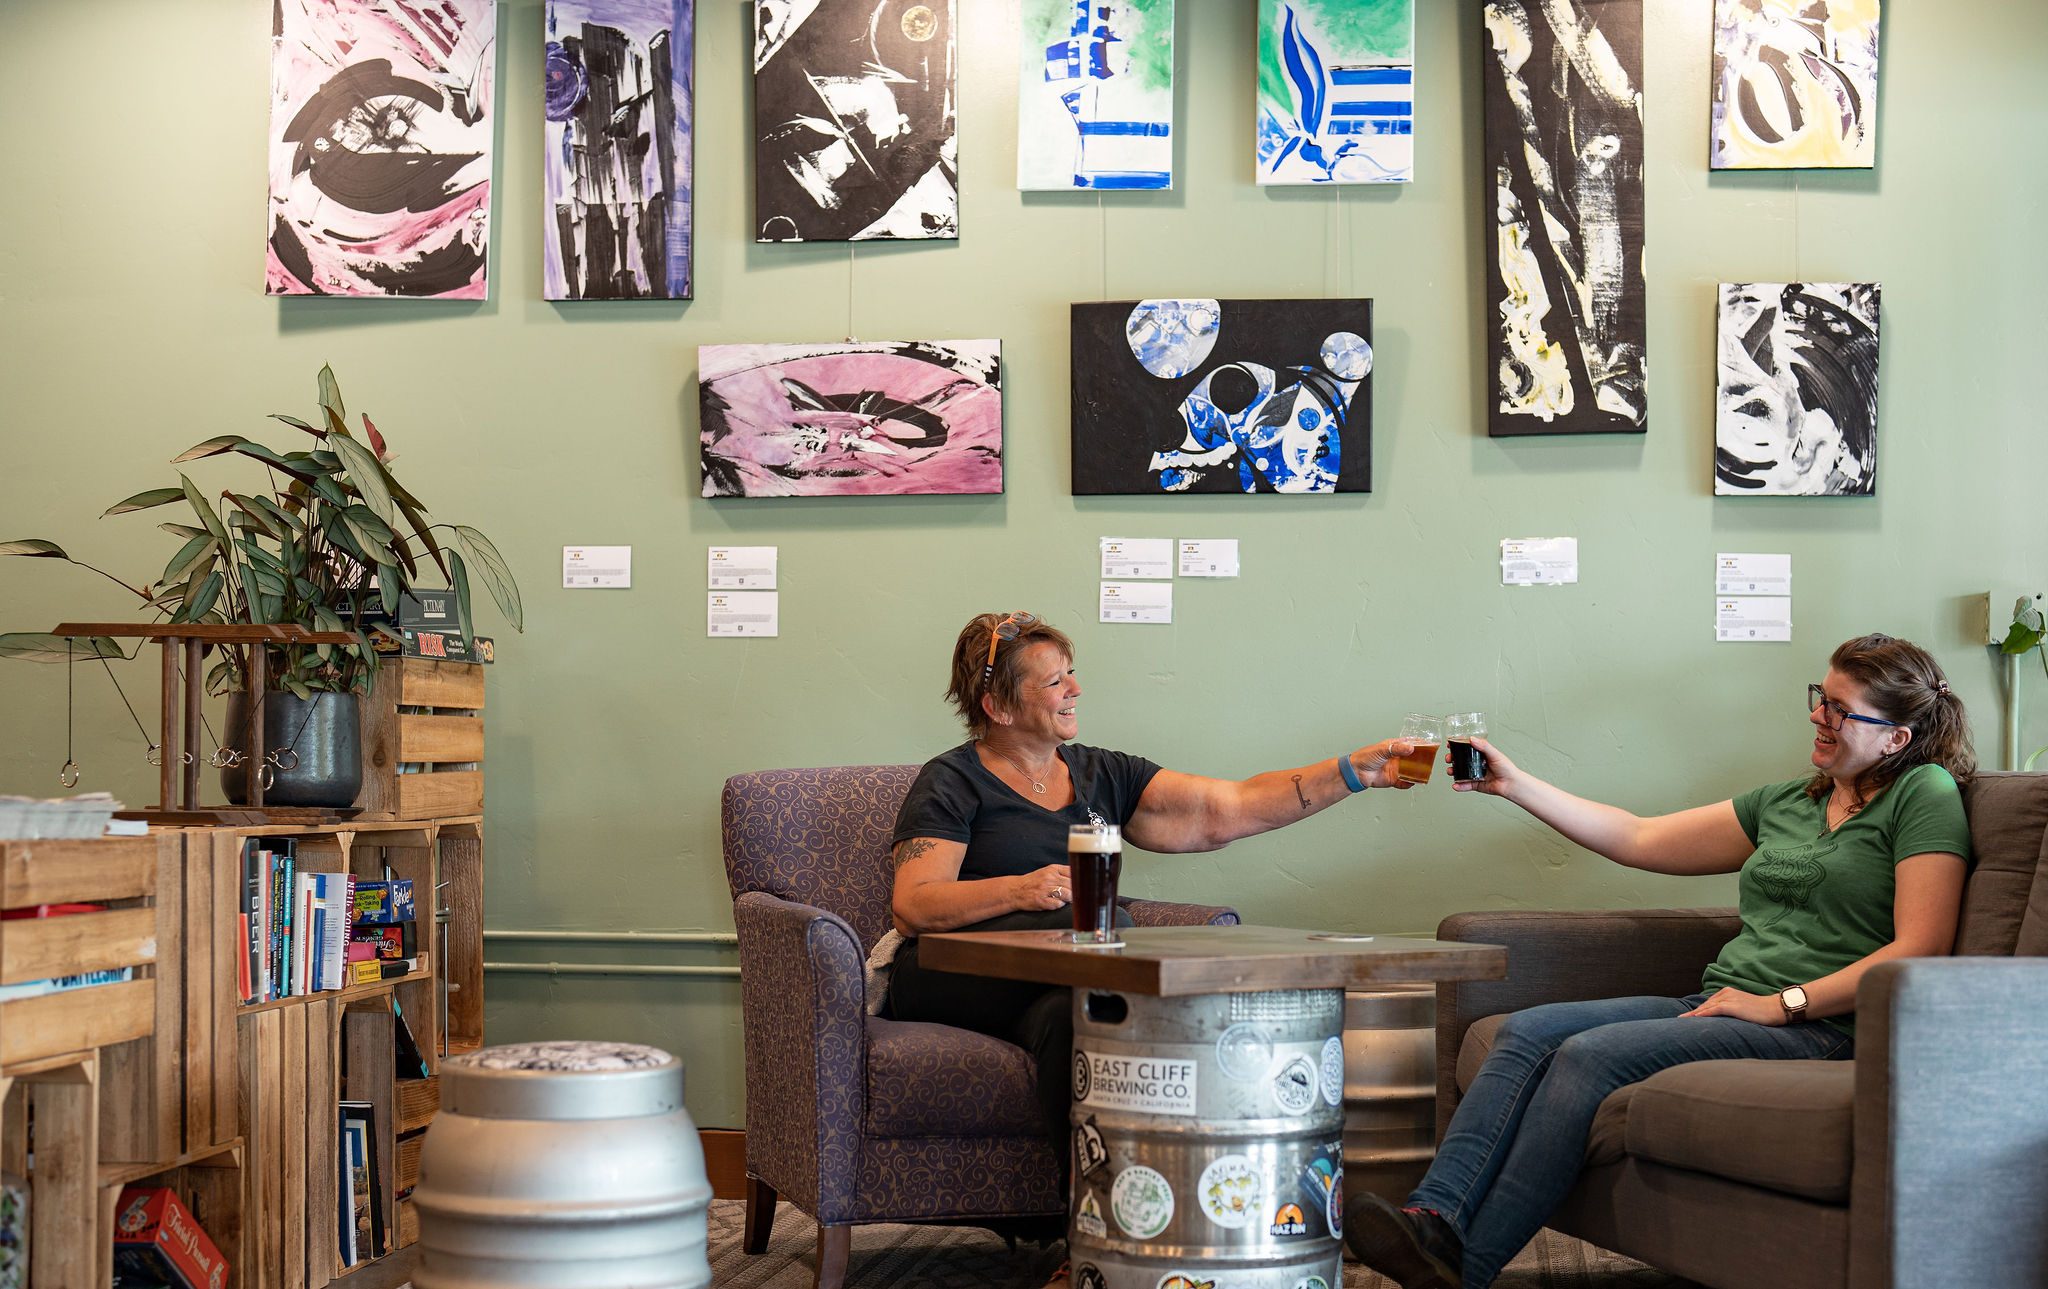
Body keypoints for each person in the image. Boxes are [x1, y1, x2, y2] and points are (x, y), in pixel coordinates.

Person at [1346, 634, 1976, 1289]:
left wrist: (1783, 1002)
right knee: (1526, 1031)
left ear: (1895, 739)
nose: (1818, 715)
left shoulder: (1922, 793)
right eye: (1821, 697)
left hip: (1823, 1028)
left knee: (1589, 1055)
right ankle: (1432, 1218)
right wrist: (1514, 784)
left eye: (1841, 709)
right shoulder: (1791, 801)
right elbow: (1639, 836)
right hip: (1722, 1004)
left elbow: (1919, 947)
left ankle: (1465, 1271)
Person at [883, 610, 1418, 1185]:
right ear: (999, 707)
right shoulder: (952, 780)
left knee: (1077, 1017)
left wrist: (1351, 772)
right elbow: (915, 905)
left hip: (1065, 976)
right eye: (1055, 681)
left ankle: (1092, 1231)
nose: (1076, 689)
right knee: (1100, 922)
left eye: (1072, 673)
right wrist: (1021, 889)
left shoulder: (1101, 774)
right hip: (952, 969)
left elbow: (1228, 807)